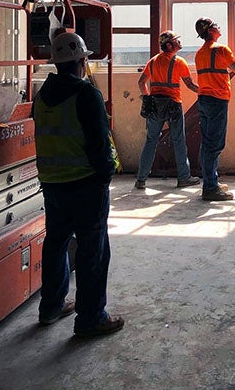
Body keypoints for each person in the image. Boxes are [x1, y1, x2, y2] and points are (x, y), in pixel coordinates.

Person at [32, 31, 124, 338]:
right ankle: (90, 317)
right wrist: (106, 173)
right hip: (85, 184)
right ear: (82, 61)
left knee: (56, 243)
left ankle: (51, 306)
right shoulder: (86, 94)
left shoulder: (42, 95)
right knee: (92, 249)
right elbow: (99, 142)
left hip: (53, 185)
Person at [194, 18, 235, 201]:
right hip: (217, 101)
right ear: (210, 30)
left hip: (204, 100)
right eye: (216, 25)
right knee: (215, 145)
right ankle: (210, 187)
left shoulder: (200, 53)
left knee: (207, 143)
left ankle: (210, 180)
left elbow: (223, 69)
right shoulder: (221, 49)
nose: (219, 27)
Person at [135, 30, 200, 190]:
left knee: (151, 141)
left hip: (155, 105)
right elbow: (190, 85)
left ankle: (141, 180)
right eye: (177, 40)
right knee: (178, 141)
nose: (179, 42)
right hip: (173, 105)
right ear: (170, 45)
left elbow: (141, 82)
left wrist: (147, 98)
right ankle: (184, 177)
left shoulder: (153, 61)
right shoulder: (179, 62)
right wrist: (207, 91)